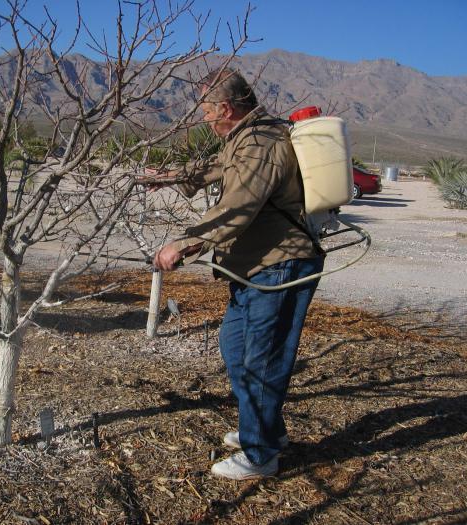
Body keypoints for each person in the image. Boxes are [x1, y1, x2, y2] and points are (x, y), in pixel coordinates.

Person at [144, 68, 325, 480]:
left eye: (207, 110)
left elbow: (237, 207)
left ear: (225, 107)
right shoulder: (245, 137)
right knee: (236, 346)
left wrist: (185, 244)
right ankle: (265, 431)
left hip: (280, 267)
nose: (204, 118)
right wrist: (170, 176)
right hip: (255, 269)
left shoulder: (261, 142)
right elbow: (219, 166)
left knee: (261, 359)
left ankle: (261, 455)